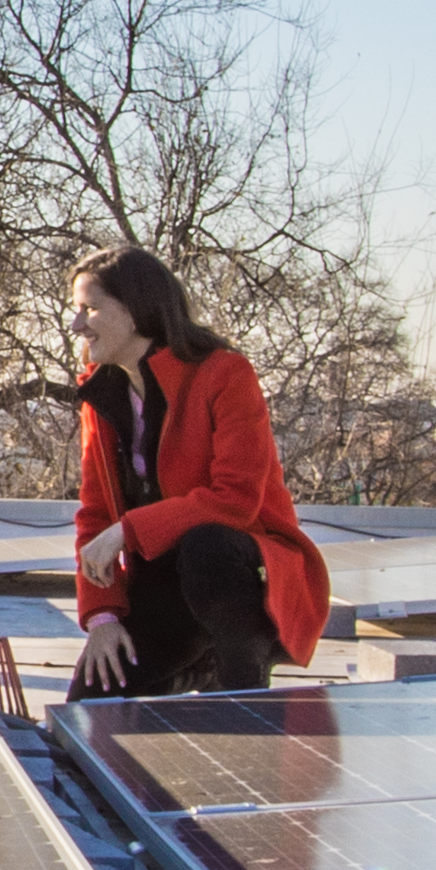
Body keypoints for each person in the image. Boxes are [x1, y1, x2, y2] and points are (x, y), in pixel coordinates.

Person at [66, 244, 325, 694]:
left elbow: (235, 500)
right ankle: (190, 664)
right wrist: (103, 617)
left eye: (90, 308)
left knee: (207, 546)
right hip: (163, 590)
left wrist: (127, 531)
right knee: (89, 707)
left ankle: (240, 671)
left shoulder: (225, 374)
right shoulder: (102, 396)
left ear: (135, 309)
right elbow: (95, 518)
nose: (77, 324)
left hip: (243, 577)